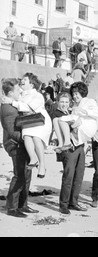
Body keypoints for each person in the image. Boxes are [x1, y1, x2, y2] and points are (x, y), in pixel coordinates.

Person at [59, 82, 98, 215]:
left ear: (82, 93)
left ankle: (73, 201)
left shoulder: (87, 102)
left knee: (79, 174)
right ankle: (63, 204)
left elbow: (96, 113)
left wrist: (81, 112)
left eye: (77, 93)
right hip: (71, 143)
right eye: (73, 94)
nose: (75, 96)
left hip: (81, 143)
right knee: (68, 175)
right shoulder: (69, 106)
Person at [2, 73, 52, 179]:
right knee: (27, 136)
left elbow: (29, 107)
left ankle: (42, 165)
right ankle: (33, 159)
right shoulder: (22, 94)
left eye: (25, 79)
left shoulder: (37, 95)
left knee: (36, 138)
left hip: (40, 121)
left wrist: (12, 102)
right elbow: (11, 94)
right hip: (28, 122)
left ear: (32, 84)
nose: (22, 81)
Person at [1, 78, 39, 218]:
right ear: (10, 93)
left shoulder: (13, 104)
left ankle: (22, 204)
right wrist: (28, 137)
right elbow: (11, 131)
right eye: (18, 90)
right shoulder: (7, 108)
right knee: (20, 175)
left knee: (26, 175)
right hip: (15, 144)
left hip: (22, 143)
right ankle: (12, 207)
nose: (20, 91)